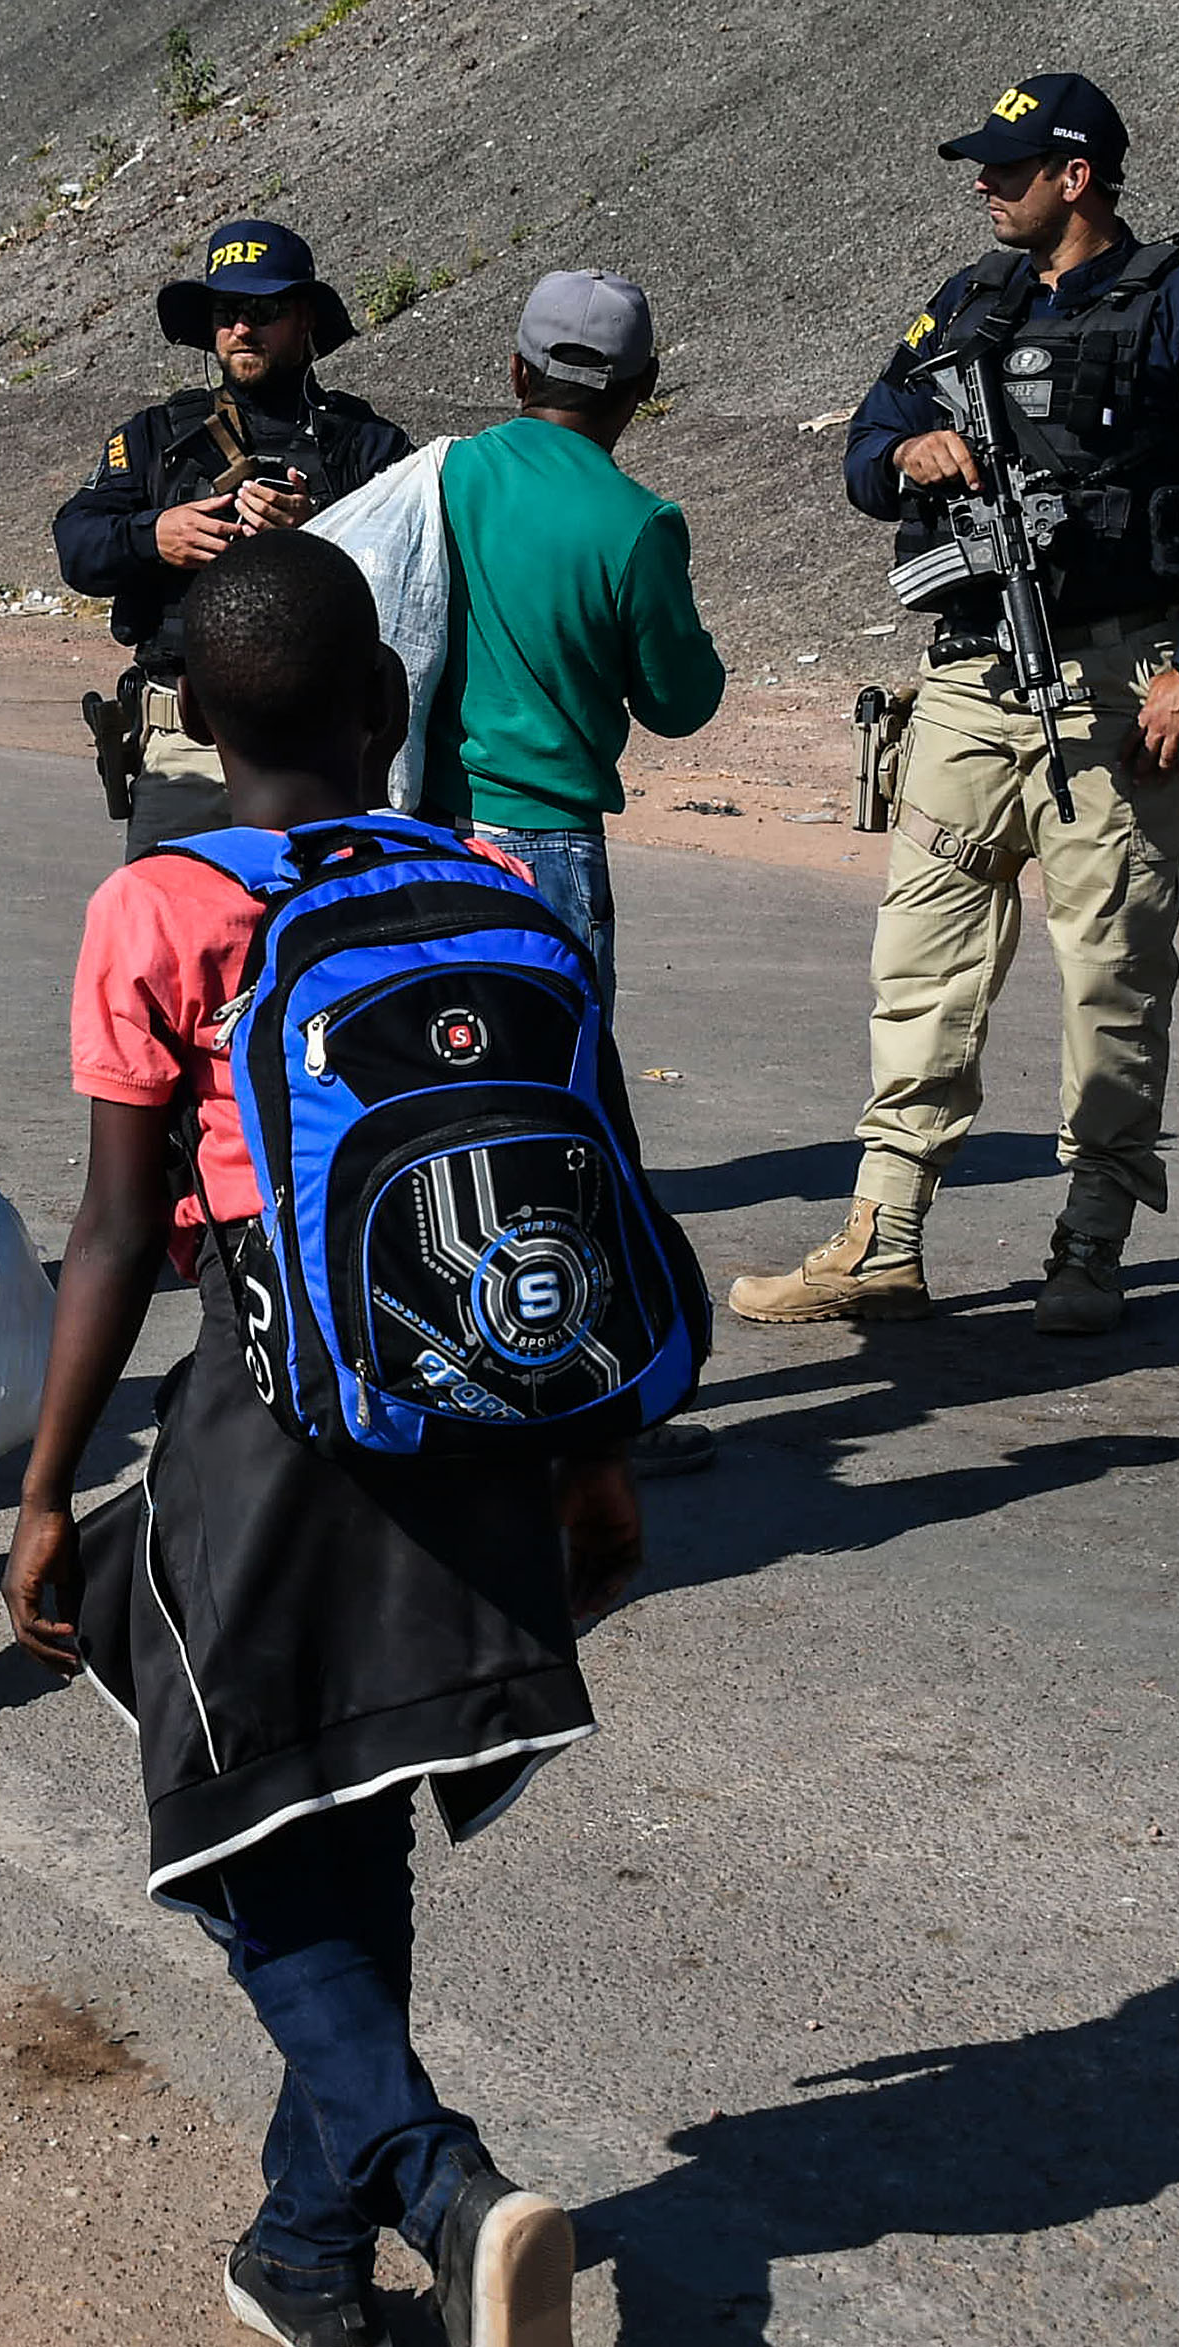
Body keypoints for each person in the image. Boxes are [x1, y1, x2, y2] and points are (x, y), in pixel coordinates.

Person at [3, 532, 634, 2347]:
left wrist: (44, 1493)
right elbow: (571, 1186)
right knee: (342, 1806)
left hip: (276, 1420)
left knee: (239, 1826)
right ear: (386, 706)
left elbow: (118, 1234)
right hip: (488, 1417)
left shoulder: (162, 906)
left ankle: (443, 2184)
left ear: (188, 719)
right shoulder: (497, 874)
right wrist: (593, 1465)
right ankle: (310, 2265)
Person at [730, 72, 1179, 1338]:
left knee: (1109, 966)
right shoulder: (963, 304)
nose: (982, 184)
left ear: (1075, 176)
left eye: (1006, 166)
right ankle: (880, 1240)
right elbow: (862, 453)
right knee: (920, 955)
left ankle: (1088, 1244)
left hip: (1116, 681)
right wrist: (906, 454)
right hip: (967, 679)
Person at [425, 270, 729, 1478]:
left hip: (427, 833)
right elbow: (678, 701)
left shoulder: (444, 476)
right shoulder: (636, 522)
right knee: (566, 1123)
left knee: (445, 1117)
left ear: (513, 373)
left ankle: (450, 1373)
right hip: (545, 851)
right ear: (641, 393)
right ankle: (594, 1402)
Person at [53, 220, 412, 860]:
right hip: (183, 753)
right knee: (173, 948)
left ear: (305, 319)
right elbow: (76, 544)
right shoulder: (153, 436)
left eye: (264, 310)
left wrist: (318, 531)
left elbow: (418, 577)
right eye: (227, 312)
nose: (242, 328)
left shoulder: (367, 445)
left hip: (326, 751)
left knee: (321, 940)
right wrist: (154, 536)